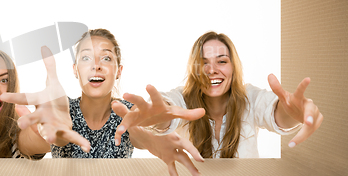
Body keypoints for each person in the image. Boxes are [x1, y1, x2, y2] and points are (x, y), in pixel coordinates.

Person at [2, 29, 205, 176]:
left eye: (106, 58)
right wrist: (40, 133)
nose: (96, 65)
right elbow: (29, 144)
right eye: (86, 58)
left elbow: (138, 128)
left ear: (118, 71)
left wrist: (157, 130)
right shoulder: (60, 110)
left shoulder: (127, 112)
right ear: (75, 70)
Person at [114, 31, 323, 158]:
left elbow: (275, 113)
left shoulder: (250, 98)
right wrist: (156, 117)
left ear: (233, 67)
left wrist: (293, 112)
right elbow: (166, 107)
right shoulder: (182, 99)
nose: (212, 70)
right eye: (204, 63)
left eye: (221, 61)